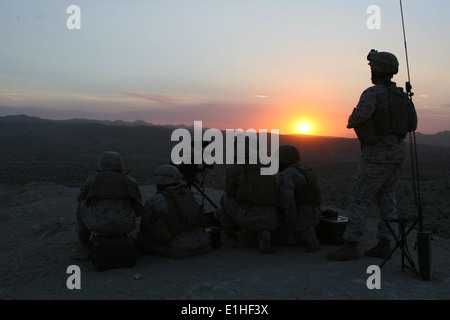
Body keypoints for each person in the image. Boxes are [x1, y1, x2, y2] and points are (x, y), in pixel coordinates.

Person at [326, 49, 418, 261]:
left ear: (378, 69)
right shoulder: (403, 97)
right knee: (388, 199)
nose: (371, 70)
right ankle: (385, 243)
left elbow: (356, 118)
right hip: (396, 153)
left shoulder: (373, 93)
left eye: (372, 67)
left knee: (359, 199)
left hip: (376, 155)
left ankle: (350, 244)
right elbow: (412, 124)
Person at [72, 151, 144, 260]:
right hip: (125, 225)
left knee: (82, 205)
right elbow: (138, 208)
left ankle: (85, 248)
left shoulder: (92, 180)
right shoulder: (129, 181)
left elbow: (80, 197)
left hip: (97, 225)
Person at [218, 136, 279, 253]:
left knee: (225, 199)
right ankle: (260, 234)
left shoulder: (236, 168)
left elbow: (230, 191)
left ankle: (231, 236)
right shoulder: (267, 166)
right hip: (272, 217)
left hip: (249, 215)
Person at [136, 165, 211, 259]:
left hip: (178, 248)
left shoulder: (156, 200)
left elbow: (145, 226)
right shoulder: (189, 195)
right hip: (204, 243)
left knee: (142, 239)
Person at [272, 144, 321, 252]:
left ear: (283, 160)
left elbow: (287, 200)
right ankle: (307, 231)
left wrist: (289, 220)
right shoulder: (308, 171)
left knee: (271, 234)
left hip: (300, 218)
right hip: (315, 216)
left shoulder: (287, 174)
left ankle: (303, 235)